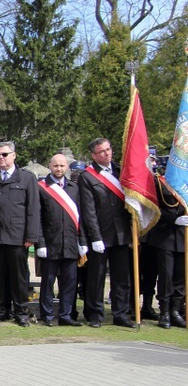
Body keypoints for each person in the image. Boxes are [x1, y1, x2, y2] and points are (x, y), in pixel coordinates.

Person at [0, 141, 40, 326]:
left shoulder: (27, 178)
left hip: (18, 237)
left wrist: (31, 236)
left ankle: (21, 311)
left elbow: (33, 209)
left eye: (4, 154)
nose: (1, 159)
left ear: (14, 155)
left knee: (19, 277)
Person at [78, 138, 135, 328]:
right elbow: (89, 210)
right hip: (100, 234)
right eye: (102, 151)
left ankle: (121, 313)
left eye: (108, 149)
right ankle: (95, 314)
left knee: (122, 277)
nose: (107, 153)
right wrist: (95, 237)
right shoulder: (87, 176)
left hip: (121, 233)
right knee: (97, 277)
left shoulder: (120, 171)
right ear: (94, 155)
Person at [35, 154, 87, 326]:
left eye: (62, 166)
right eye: (56, 165)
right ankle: (47, 315)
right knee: (48, 282)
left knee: (69, 283)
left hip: (71, 244)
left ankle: (65, 315)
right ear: (50, 166)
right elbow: (38, 218)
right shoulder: (41, 188)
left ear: (67, 167)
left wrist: (83, 241)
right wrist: (40, 243)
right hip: (50, 244)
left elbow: (80, 218)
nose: (59, 169)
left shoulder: (74, 188)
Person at [146, 174, 187, 329]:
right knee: (166, 276)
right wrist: (173, 219)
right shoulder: (160, 181)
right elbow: (153, 207)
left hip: (184, 237)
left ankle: (176, 310)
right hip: (165, 236)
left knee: (181, 276)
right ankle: (164, 312)